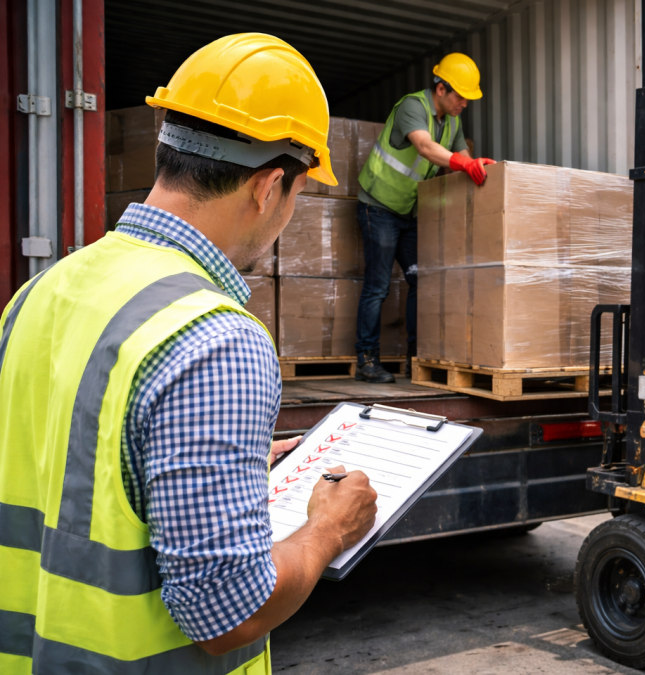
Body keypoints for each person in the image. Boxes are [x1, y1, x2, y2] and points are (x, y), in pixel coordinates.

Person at [0, 34, 378, 673]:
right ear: (268, 187)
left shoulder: (37, 294)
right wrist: (327, 530)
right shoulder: (216, 341)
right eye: (296, 196)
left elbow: (74, 466)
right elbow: (226, 611)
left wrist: (213, 462)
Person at [354, 53, 495, 383]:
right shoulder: (412, 107)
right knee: (378, 286)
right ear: (441, 88)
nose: (464, 104)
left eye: (468, 98)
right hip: (379, 205)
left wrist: (481, 169)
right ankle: (366, 360)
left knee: (423, 279)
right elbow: (425, 147)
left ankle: (416, 358)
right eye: (460, 96)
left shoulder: (454, 122)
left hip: (409, 211)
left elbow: (462, 156)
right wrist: (463, 165)